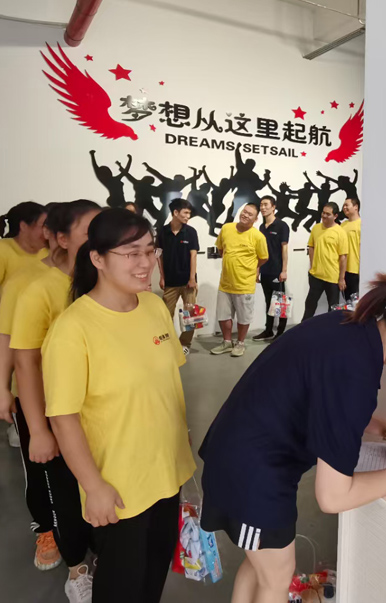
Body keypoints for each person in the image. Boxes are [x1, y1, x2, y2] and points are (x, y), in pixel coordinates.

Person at [199, 275, 386, 603]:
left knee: (261, 564)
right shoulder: (356, 370)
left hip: (240, 449)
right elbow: (332, 497)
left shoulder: (352, 327)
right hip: (251, 470)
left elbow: (328, 400)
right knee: (276, 576)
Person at [43, 208, 195, 603]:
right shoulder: (72, 329)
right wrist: (93, 487)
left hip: (167, 472)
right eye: (131, 253)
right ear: (97, 258)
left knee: (154, 575)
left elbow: (166, 386)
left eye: (150, 250)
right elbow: (62, 417)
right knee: (121, 586)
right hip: (120, 486)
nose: (145, 263)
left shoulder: (154, 307)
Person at [10, 200, 101, 602]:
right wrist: (39, 430)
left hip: (95, 410)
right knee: (64, 491)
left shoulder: (102, 281)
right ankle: (77, 568)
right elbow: (25, 363)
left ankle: (99, 547)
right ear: (61, 239)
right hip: (53, 411)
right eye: (89, 232)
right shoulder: (38, 289)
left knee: (94, 483)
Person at [0, 203, 67, 575]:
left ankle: (82, 529)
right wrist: (0, 389)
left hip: (82, 396)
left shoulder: (92, 276)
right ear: (57, 235)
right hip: (37, 394)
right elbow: (7, 339)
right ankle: (47, 530)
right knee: (42, 467)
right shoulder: (25, 281)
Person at [0, 201, 48, 353]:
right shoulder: (0, 250)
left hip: (39, 334)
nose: (47, 232)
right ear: (24, 226)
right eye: (42, 226)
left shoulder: (47, 253)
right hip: (9, 334)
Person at [210, 203, 268, 358]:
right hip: (225, 283)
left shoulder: (258, 237)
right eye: (244, 211)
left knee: (243, 317)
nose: (245, 215)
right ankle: (226, 342)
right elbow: (221, 249)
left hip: (244, 284)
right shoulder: (227, 228)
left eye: (250, 214)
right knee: (223, 316)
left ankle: (240, 343)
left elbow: (263, 258)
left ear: (255, 219)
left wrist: (249, 267)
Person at [157, 199, 200, 355]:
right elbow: (158, 255)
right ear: (175, 212)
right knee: (166, 314)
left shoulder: (191, 232)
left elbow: (193, 255)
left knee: (190, 315)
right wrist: (162, 277)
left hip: (188, 283)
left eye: (189, 213)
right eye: (185, 213)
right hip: (170, 281)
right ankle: (169, 342)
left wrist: (192, 279)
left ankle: (185, 343)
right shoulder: (162, 232)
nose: (188, 216)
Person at [252, 196, 290, 342]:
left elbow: (284, 249)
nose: (263, 207)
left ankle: (281, 332)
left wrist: (284, 270)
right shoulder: (262, 227)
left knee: (280, 302)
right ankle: (268, 330)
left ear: (273, 207)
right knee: (269, 302)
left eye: (266, 205)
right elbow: (259, 251)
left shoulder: (282, 226)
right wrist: (257, 270)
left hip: (277, 270)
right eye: (261, 205)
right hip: (265, 271)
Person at [302, 203, 348, 321]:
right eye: (323, 213)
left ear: (335, 216)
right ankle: (304, 328)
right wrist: (312, 265)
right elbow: (311, 246)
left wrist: (341, 278)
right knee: (310, 304)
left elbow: (343, 257)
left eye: (328, 214)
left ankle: (331, 329)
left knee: (333, 308)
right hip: (316, 275)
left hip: (332, 277)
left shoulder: (340, 232)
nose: (324, 216)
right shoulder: (316, 228)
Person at [341, 197, 362, 299]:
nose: (344, 207)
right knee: (347, 301)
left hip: (356, 270)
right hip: (343, 270)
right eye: (343, 205)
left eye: (347, 205)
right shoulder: (343, 225)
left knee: (356, 302)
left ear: (356, 207)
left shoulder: (362, 224)